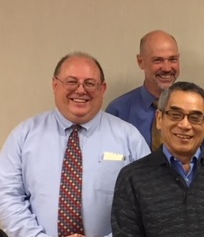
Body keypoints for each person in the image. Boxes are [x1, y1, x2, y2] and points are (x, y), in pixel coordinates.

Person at [0, 52, 150, 237]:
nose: (80, 90)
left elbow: (146, 202)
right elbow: (7, 197)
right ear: (55, 85)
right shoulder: (23, 136)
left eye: (89, 83)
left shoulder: (129, 137)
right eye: (71, 82)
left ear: (103, 88)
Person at [112, 82, 204, 236]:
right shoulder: (132, 178)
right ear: (159, 119)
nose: (185, 125)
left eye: (195, 117)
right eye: (175, 115)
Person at [106, 30, 204, 151]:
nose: (166, 68)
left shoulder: (198, 110)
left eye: (172, 59)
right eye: (158, 60)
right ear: (141, 62)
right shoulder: (119, 111)